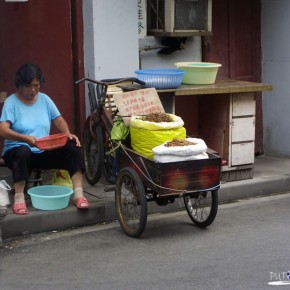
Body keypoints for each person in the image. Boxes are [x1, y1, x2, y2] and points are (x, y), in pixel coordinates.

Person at [0, 63, 89, 215]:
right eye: (29, 86)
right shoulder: (11, 102)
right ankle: (19, 199)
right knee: (23, 151)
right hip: (17, 152)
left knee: (73, 146)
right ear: (20, 85)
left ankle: (79, 195)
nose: (33, 90)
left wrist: (68, 133)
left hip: (43, 149)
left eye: (36, 85)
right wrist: (25, 138)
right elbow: (3, 130)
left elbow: (59, 120)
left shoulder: (45, 99)